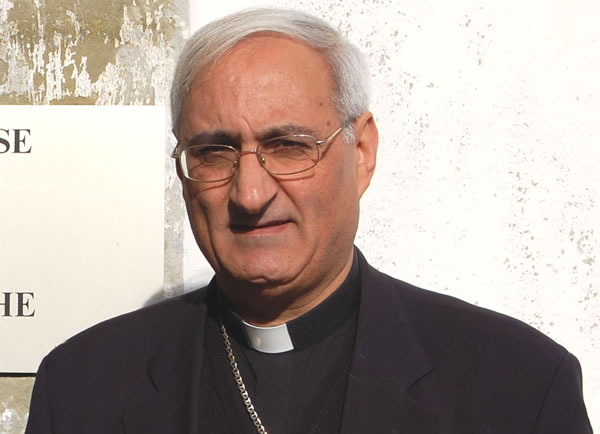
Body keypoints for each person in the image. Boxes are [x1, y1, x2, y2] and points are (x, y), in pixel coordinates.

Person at [25, 8, 592, 434]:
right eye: (215, 152)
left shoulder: (516, 387)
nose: (250, 194)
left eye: (290, 145)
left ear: (361, 153)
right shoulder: (81, 389)